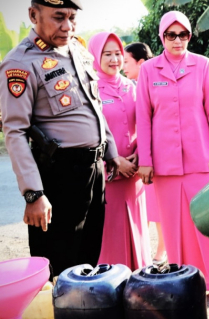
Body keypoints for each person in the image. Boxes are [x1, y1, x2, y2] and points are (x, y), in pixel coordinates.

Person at [0, 0, 121, 278]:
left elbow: (95, 106)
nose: (67, 26)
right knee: (59, 261)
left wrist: (110, 151)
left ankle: (83, 317)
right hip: (60, 174)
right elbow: (14, 131)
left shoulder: (77, 50)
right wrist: (34, 194)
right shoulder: (19, 62)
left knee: (88, 257)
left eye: (71, 17)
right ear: (33, 15)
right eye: (58, 17)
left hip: (94, 169)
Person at [136, 11, 209, 290]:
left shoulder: (203, 65)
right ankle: (186, 281)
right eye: (171, 35)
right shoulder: (148, 70)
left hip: (202, 161)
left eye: (183, 35)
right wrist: (146, 160)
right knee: (174, 227)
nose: (178, 40)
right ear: (161, 37)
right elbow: (143, 118)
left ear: (190, 36)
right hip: (165, 166)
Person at [88, 32, 151, 270]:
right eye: (107, 54)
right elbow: (89, 133)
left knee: (137, 232)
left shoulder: (131, 87)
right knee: (110, 238)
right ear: (96, 55)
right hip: (107, 179)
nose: (115, 59)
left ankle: (138, 288)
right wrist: (113, 163)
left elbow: (144, 123)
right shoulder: (90, 88)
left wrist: (139, 154)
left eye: (118, 54)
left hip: (132, 176)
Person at [123, 41, 165, 264]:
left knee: (157, 207)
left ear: (141, 62)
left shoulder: (149, 85)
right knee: (147, 206)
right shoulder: (129, 86)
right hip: (140, 154)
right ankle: (147, 253)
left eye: (126, 61)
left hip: (152, 153)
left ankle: (159, 255)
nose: (122, 66)